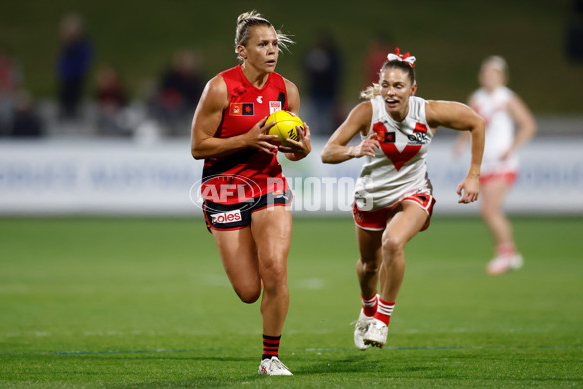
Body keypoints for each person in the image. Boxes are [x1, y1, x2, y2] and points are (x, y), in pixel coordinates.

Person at [321, 48, 485, 350]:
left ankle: (382, 321)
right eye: (386, 85)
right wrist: (354, 150)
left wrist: (473, 173)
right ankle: (368, 310)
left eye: (398, 86)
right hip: (371, 197)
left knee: (393, 242)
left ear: (413, 89)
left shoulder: (428, 111)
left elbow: (476, 122)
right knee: (370, 266)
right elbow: (328, 152)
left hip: (414, 192)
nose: (391, 92)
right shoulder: (367, 112)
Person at [190, 11, 311, 376]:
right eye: (263, 44)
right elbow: (198, 146)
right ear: (243, 50)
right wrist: (246, 138)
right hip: (224, 188)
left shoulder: (286, 90)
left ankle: (270, 358)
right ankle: (223, 228)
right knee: (248, 290)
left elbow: (296, 151)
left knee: (275, 268)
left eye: (275, 44)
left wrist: (301, 147)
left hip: (269, 183)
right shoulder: (220, 88)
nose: (272, 50)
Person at [454, 56, 536, 275]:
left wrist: (512, 146)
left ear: (503, 77)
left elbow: (528, 124)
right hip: (484, 163)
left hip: (503, 163)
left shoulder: (507, 98)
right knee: (492, 211)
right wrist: (461, 143)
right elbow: (467, 124)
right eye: (487, 73)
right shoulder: (477, 98)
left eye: (495, 73)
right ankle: (510, 252)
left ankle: (506, 254)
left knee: (489, 209)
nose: (490, 77)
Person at [56, 13, 93, 121]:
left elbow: (84, 60)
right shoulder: (65, 46)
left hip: (77, 77)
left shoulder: (82, 44)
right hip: (66, 77)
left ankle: (75, 118)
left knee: (76, 100)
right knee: (65, 100)